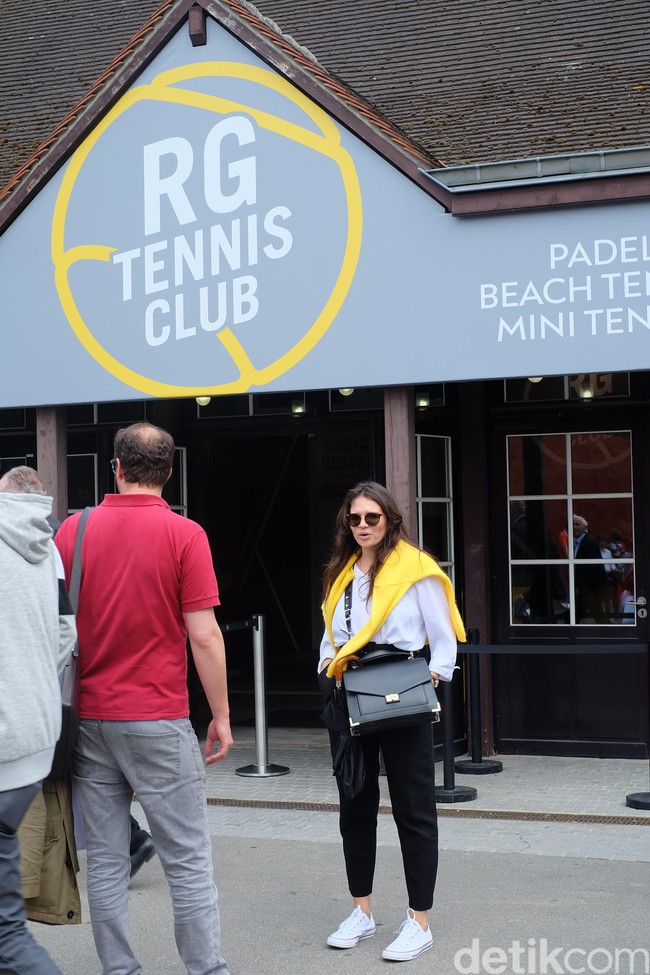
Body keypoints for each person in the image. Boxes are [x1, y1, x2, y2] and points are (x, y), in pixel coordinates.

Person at [55, 421, 233, 975]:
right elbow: (203, 634)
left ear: (117, 467)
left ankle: (120, 970)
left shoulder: (74, 531)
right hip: (157, 717)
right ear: (170, 472)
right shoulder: (186, 535)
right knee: (187, 861)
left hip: (88, 718)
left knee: (106, 862)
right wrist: (222, 715)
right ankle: (206, 970)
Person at [318, 481, 465, 962]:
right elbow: (331, 639)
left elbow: (443, 640)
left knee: (413, 808)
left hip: (403, 693)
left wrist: (432, 682)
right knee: (354, 806)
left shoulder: (416, 567)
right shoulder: (341, 573)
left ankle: (418, 920)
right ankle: (361, 911)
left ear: (390, 519)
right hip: (352, 693)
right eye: (354, 518)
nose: (362, 526)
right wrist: (326, 672)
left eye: (371, 518)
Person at [0, 467, 77, 973]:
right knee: (7, 931)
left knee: (8, 938)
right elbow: (65, 631)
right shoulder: (44, 546)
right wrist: (31, 679)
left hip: (6, 738)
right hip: (32, 740)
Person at [572, 515, 609, 623]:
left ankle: (608, 635)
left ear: (585, 528)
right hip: (583, 588)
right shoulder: (576, 543)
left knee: (597, 614)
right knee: (576, 615)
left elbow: (594, 567)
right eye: (573, 524)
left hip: (590, 589)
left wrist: (584, 587)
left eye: (577, 524)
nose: (574, 527)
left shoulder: (589, 543)